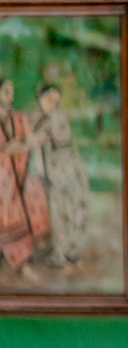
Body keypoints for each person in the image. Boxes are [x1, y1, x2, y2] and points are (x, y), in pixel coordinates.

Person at [25, 82, 91, 267]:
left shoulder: (57, 117)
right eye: (49, 99)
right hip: (51, 170)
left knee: (71, 208)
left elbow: (40, 138)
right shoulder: (35, 116)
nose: (53, 103)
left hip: (67, 168)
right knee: (58, 210)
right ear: (40, 98)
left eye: (56, 100)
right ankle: (62, 250)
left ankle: (68, 250)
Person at [0, 74, 51, 276]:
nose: (10, 96)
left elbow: (29, 139)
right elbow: (9, 147)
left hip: (19, 174)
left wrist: (26, 142)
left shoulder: (19, 117)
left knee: (32, 196)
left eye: (11, 91)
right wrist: (25, 142)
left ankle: (21, 257)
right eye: (6, 91)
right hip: (2, 178)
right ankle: (17, 259)